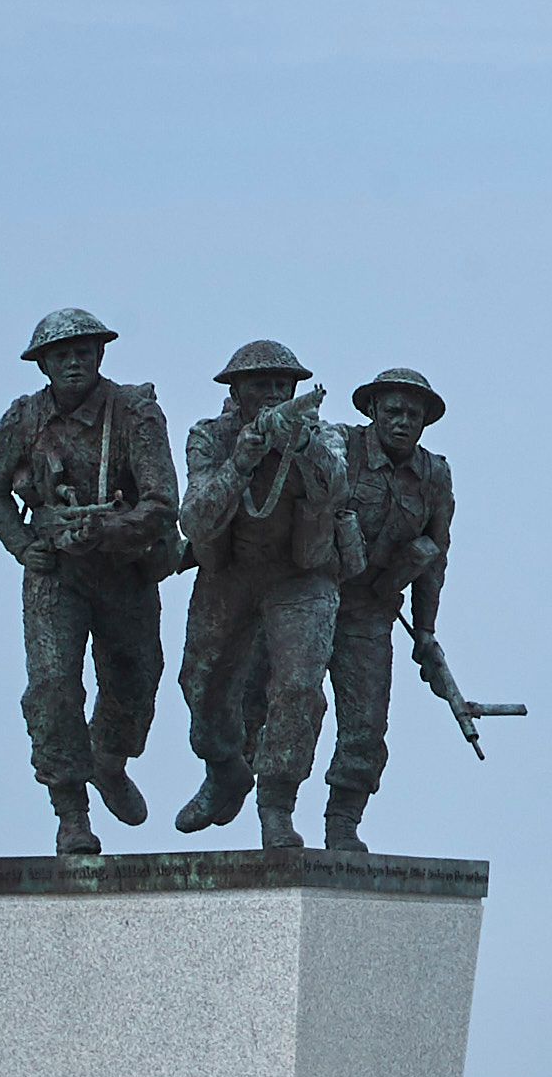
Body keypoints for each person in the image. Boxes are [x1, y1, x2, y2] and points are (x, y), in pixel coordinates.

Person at [0, 307, 180, 859]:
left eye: (84, 351)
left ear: (101, 355)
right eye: (61, 354)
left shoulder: (135, 413)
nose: (74, 362)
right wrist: (24, 545)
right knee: (52, 686)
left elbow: (162, 504)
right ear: (43, 365)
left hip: (124, 571)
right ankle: (70, 813)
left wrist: (107, 527)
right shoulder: (24, 419)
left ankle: (109, 756)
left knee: (135, 678)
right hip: (57, 575)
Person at [170, 339, 354, 852]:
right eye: (261, 385)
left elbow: (337, 488)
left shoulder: (326, 434)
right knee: (201, 682)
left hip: (302, 575)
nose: (274, 393)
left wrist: (303, 447)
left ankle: (277, 803)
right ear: (236, 392)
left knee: (298, 688)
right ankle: (225, 768)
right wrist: (241, 464)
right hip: (230, 574)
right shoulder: (209, 437)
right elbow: (194, 518)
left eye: (282, 384)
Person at [319, 368, 459, 856]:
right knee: (286, 706)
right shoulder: (339, 447)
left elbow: (434, 557)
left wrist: (425, 632)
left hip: (370, 613)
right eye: (393, 411)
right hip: (312, 597)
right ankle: (277, 812)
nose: (402, 422)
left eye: (413, 415)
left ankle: (342, 823)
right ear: (373, 411)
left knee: (366, 723)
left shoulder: (434, 475)